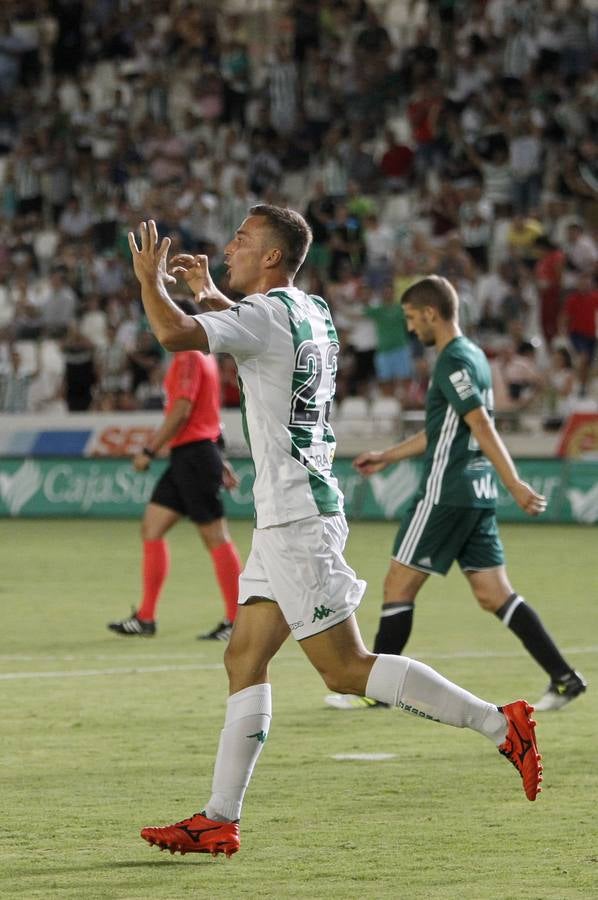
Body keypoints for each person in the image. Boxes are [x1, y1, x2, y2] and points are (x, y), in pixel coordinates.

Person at [127, 208, 543, 860]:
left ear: (270, 258)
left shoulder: (264, 316)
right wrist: (207, 292)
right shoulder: (311, 308)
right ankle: (218, 818)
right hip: (286, 516)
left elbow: (176, 335)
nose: (229, 247)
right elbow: (256, 330)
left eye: (241, 240)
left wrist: (151, 283)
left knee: (345, 670)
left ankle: (502, 725)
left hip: (297, 517)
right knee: (243, 658)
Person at [325, 276, 586, 715]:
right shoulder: (476, 358)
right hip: (475, 494)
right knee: (493, 593)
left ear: (431, 313)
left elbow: (482, 424)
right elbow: (444, 430)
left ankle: (377, 690)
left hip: (445, 493)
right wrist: (389, 455)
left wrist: (516, 482)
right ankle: (565, 678)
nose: (410, 328)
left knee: (397, 585)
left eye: (411, 318)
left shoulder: (452, 359)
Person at [107, 299, 243, 641]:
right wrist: (219, 455)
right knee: (151, 528)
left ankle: (237, 620)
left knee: (215, 536)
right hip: (193, 454)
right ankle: (146, 618)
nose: (156, 325)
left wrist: (149, 450)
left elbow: (181, 411)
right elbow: (207, 414)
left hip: (194, 456)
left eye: (161, 316)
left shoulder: (187, 357)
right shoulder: (204, 357)